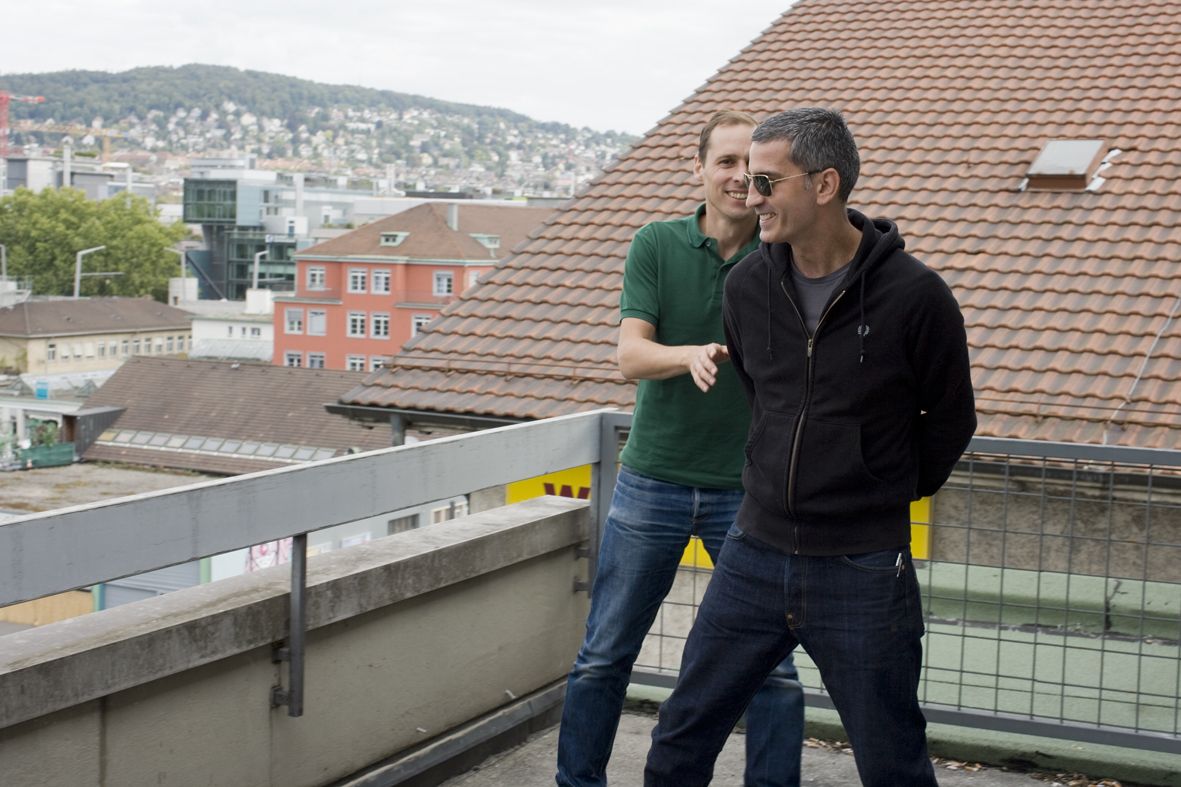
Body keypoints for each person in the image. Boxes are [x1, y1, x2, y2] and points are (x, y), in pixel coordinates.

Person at [644, 107, 977, 787]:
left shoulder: (916, 296)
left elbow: (950, 418)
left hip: (862, 565)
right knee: (680, 738)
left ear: (824, 185)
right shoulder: (746, 286)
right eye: (748, 180)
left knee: (891, 758)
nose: (750, 196)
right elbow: (762, 396)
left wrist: (881, 484)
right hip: (753, 552)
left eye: (767, 181)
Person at [555, 111, 805, 787]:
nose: (739, 178)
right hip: (652, 484)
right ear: (697, 169)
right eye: (725, 162)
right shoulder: (657, 244)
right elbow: (629, 356)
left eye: (752, 168)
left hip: (747, 493)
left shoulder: (782, 255)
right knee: (604, 656)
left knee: (773, 669)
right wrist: (690, 354)